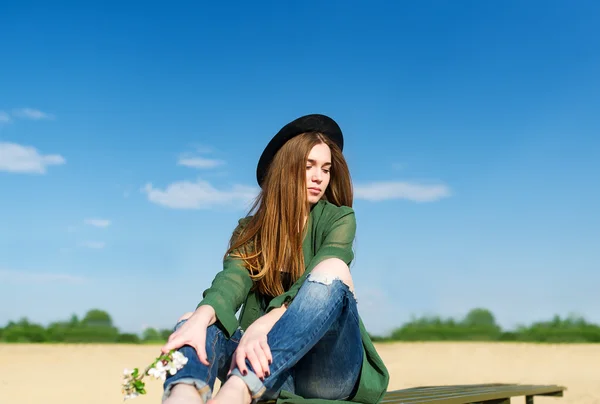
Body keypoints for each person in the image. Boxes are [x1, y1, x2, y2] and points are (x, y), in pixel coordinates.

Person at [160, 114, 389, 404]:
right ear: (286, 169)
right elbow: (231, 281)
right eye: (308, 167)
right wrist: (201, 315)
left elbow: (331, 265)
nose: (319, 177)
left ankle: (239, 390)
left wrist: (264, 324)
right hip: (271, 367)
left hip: (325, 372)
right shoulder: (250, 229)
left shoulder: (338, 219)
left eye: (326, 169)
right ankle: (184, 394)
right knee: (194, 320)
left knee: (334, 269)